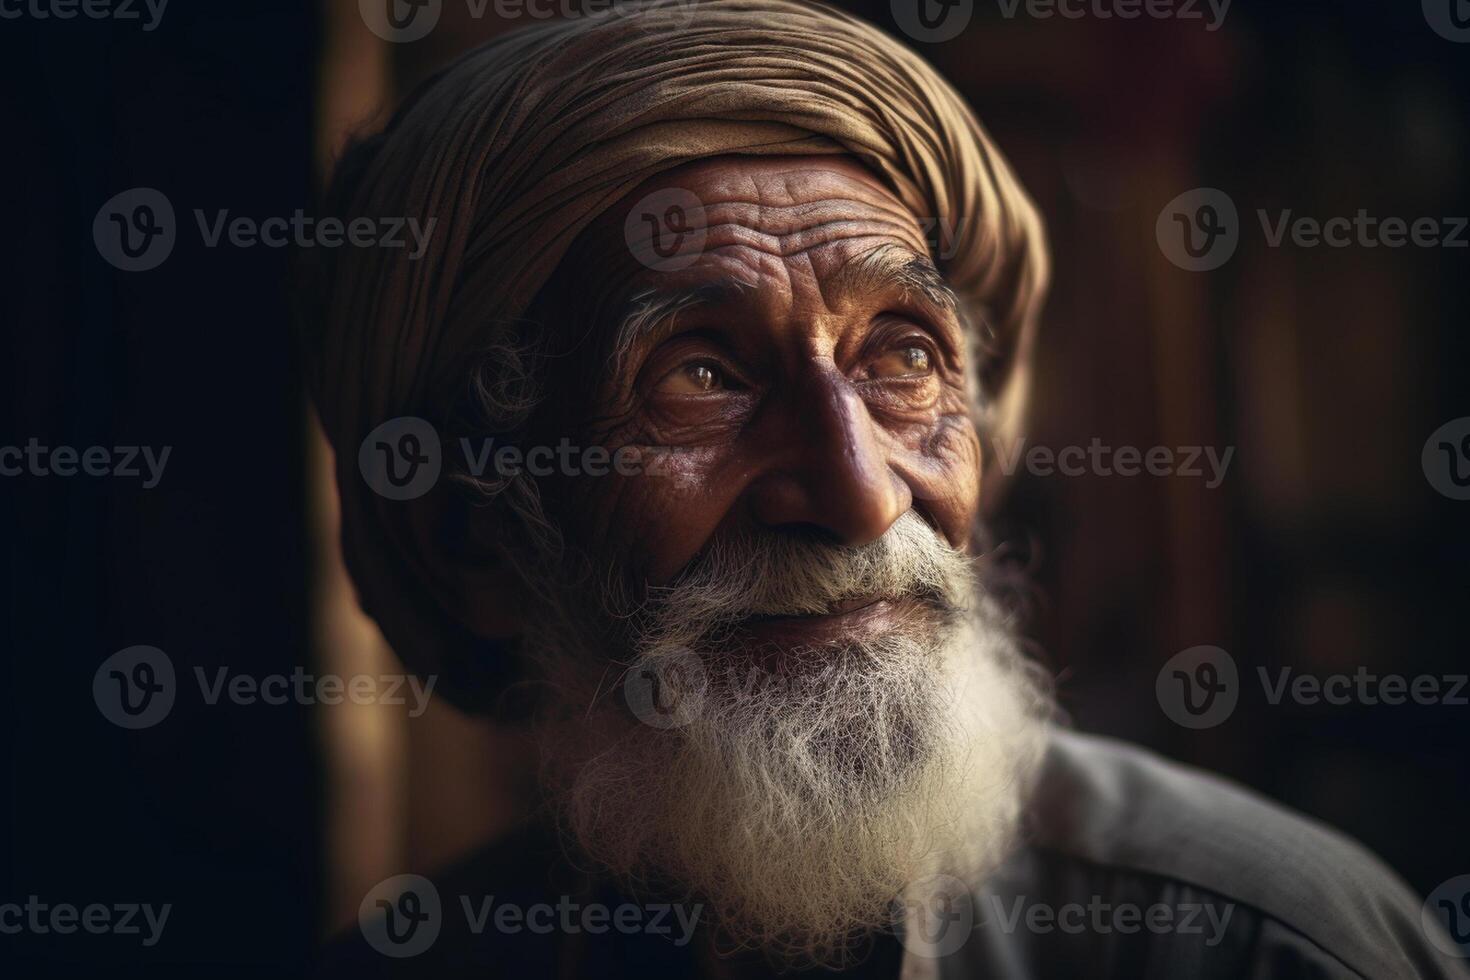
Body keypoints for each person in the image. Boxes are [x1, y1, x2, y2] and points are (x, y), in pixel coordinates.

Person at [300, 2, 1467, 975]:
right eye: (701, 375)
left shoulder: (1266, 945)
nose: (859, 494)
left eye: (902, 355)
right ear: (475, 538)